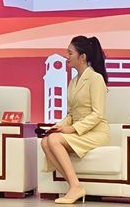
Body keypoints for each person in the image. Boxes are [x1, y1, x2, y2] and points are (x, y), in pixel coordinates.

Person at [41, 36, 110, 205]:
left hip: (96, 132)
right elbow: (71, 115)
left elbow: (97, 114)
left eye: (70, 53)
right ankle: (74, 185)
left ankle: (75, 186)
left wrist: (72, 129)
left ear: (82, 57)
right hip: (81, 130)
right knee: (45, 141)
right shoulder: (73, 82)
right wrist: (58, 127)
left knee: (54, 140)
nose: (67, 57)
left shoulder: (96, 79)